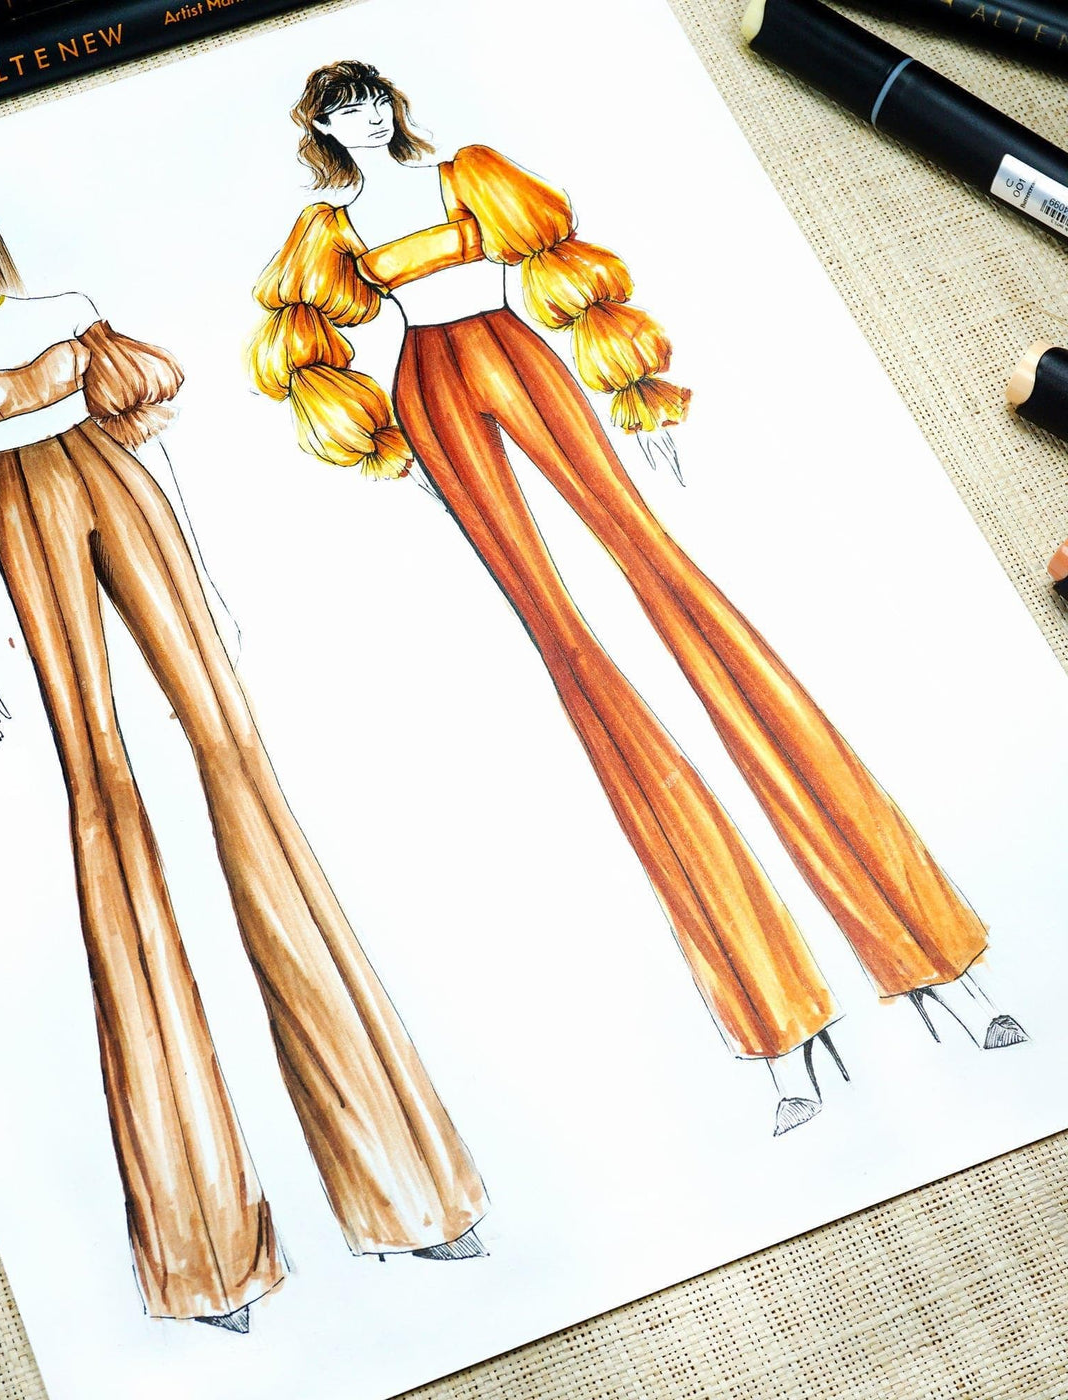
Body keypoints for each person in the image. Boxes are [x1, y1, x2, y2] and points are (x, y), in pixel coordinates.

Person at [251, 62, 1027, 1137]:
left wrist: (640, 392)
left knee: (665, 578)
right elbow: (298, 350)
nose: (366, 118)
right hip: (426, 384)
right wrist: (384, 448)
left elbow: (572, 273)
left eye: (373, 99)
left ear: (391, 105)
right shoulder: (328, 229)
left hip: (517, 353)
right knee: (562, 640)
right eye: (343, 110)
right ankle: (776, 1023)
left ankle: (931, 958)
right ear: (323, 128)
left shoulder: (469, 173)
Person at [0, 185, 487, 1331]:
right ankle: (205, 1250)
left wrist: (211, 579)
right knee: (99, 788)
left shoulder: (67, 308)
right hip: (20, 515)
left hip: (126, 491)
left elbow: (156, 447)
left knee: (232, 750)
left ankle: (406, 1189)